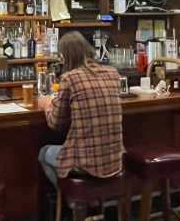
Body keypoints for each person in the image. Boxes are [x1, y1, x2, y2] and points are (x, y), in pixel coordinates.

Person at [36, 32, 123, 186]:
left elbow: (56, 124)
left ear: (64, 57)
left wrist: (47, 105)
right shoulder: (113, 73)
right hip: (115, 158)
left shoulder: (69, 78)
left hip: (84, 161)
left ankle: (73, 202)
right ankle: (91, 200)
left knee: (44, 153)